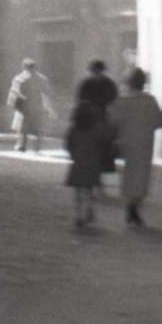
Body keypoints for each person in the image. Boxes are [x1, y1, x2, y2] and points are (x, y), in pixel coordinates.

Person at [108, 67, 162, 227]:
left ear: (129, 83)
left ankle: (130, 204)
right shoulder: (150, 101)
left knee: (129, 173)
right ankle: (135, 205)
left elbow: (113, 121)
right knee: (142, 175)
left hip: (127, 142)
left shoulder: (122, 101)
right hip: (145, 143)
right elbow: (158, 122)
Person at [64, 97, 106, 228]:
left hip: (78, 163)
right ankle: (89, 209)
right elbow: (102, 143)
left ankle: (78, 215)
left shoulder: (74, 129)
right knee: (89, 190)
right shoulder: (96, 129)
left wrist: (73, 154)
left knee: (78, 192)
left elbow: (68, 144)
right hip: (92, 164)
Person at [77, 59, 120, 186]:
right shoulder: (87, 83)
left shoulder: (108, 84)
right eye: (95, 72)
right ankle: (92, 177)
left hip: (103, 120)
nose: (96, 74)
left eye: (98, 71)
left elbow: (114, 101)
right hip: (89, 121)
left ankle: (99, 178)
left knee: (103, 150)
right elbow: (81, 101)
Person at [6, 57, 52, 153]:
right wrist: (48, 107)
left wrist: (11, 103)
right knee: (37, 127)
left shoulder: (19, 78)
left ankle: (21, 145)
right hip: (38, 106)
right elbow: (47, 93)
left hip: (24, 106)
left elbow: (14, 92)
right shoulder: (42, 79)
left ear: (24, 66)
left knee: (23, 126)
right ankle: (37, 147)